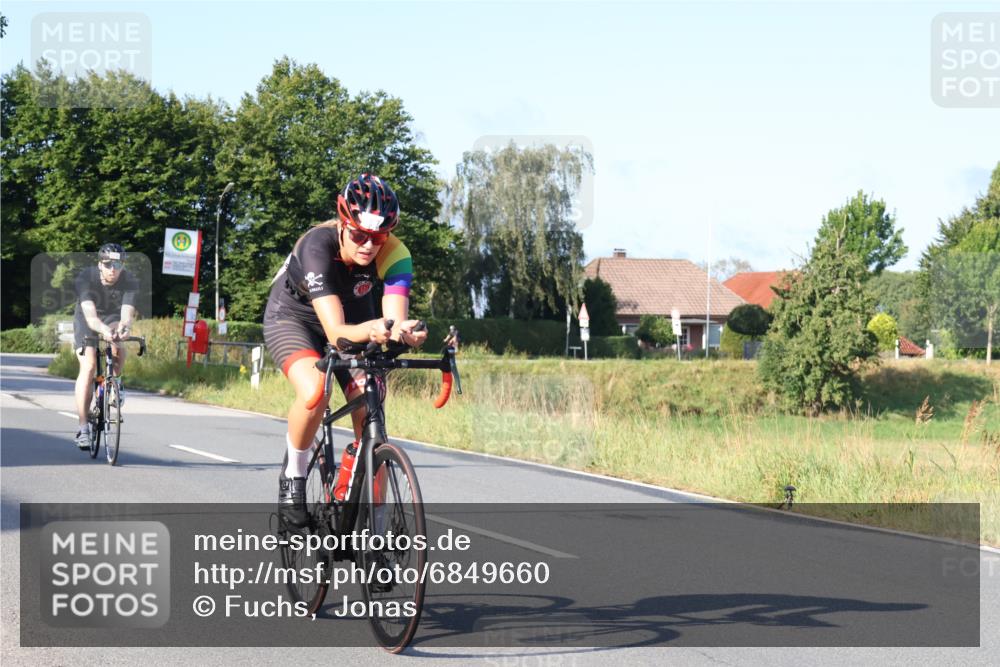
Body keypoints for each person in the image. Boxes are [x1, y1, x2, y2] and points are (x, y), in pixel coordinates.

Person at [263, 174, 427, 525]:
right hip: (295, 317)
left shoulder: (397, 255)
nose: (369, 245)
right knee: (313, 393)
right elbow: (337, 335)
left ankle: (373, 524)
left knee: (372, 407)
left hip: (355, 314)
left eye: (379, 237)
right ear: (343, 224)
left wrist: (403, 332)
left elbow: (393, 319)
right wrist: (375, 329)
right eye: (359, 235)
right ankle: (293, 476)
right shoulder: (316, 247)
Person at [73, 243, 138, 448]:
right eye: (108, 264)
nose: (113, 269)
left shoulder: (129, 281)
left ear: (123, 265)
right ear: (100, 264)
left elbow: (126, 315)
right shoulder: (86, 278)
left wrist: (124, 329)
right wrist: (103, 331)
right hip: (88, 318)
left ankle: (115, 382)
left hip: (112, 316)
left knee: (118, 341)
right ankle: (83, 428)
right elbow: (92, 319)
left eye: (117, 264)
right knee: (89, 365)